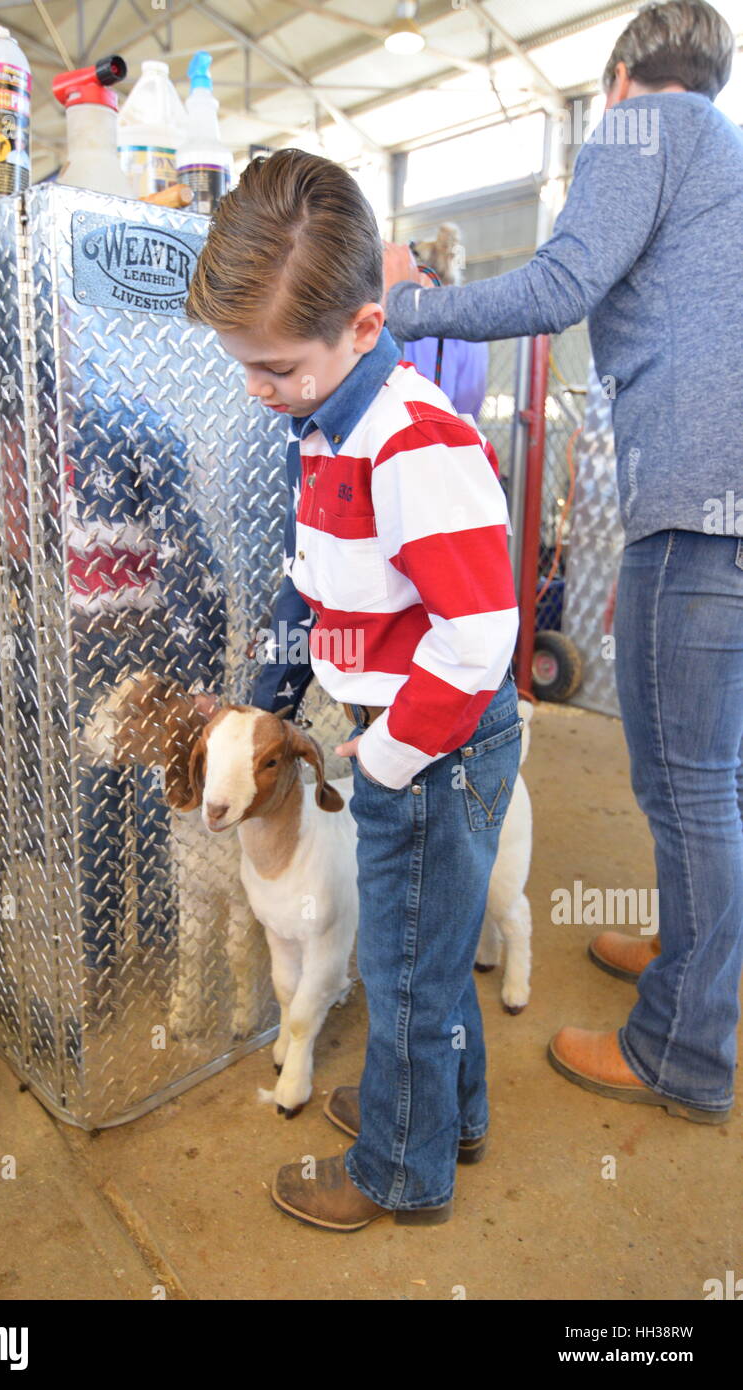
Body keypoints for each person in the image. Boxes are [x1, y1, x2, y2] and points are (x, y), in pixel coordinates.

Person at [384, 0, 743, 1123]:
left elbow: (557, 286)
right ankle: (698, 970)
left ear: (620, 74)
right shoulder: (725, 155)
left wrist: (402, 304)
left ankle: (681, 1048)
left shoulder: (642, 129)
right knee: (714, 774)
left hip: (693, 496)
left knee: (682, 781)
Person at [185, 147, 521, 1230]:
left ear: (364, 329)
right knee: (430, 948)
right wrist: (264, 689)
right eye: (245, 364)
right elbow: (309, 579)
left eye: (275, 366)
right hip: (397, 731)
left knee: (402, 969)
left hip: (432, 743)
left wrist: (378, 766)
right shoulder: (323, 425)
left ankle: (397, 1169)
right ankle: (443, 1115)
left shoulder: (411, 443)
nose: (257, 387)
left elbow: (477, 637)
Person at [401, 223, 489, 419]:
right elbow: (472, 392)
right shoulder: (470, 320)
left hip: (410, 431)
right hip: (458, 432)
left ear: (419, 273)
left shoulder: (411, 319)